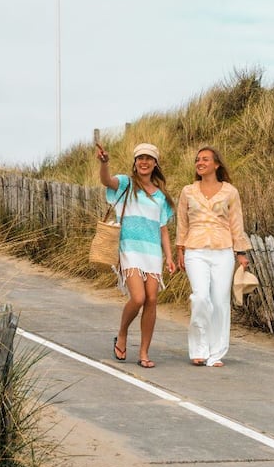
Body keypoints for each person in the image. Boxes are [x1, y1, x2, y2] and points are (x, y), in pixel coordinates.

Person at [97, 141, 174, 368]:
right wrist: (105, 163)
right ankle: (122, 333)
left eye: (149, 158)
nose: (144, 162)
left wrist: (168, 256)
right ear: (135, 162)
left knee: (152, 299)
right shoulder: (125, 184)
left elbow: (163, 229)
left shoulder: (161, 197)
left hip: (152, 253)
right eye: (140, 158)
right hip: (129, 250)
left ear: (155, 164)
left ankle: (144, 353)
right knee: (138, 298)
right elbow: (105, 180)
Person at [173, 147, 250, 367]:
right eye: (198, 159)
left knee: (220, 302)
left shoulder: (230, 192)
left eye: (205, 159)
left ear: (216, 164)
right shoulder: (188, 191)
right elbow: (182, 222)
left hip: (223, 250)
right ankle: (199, 349)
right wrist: (180, 249)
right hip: (195, 250)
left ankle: (215, 353)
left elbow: (236, 223)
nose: (200, 162)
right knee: (200, 298)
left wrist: (240, 253)